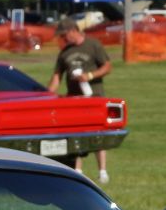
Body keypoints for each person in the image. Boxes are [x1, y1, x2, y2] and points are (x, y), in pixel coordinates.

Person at [45, 18, 114, 184]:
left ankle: (102, 171)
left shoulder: (93, 45)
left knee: (98, 133)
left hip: (94, 97)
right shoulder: (64, 52)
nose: (62, 38)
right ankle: (77, 170)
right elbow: (57, 76)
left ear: (72, 31)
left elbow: (107, 66)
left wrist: (89, 76)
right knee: (74, 134)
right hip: (73, 99)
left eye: (63, 35)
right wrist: (47, 94)